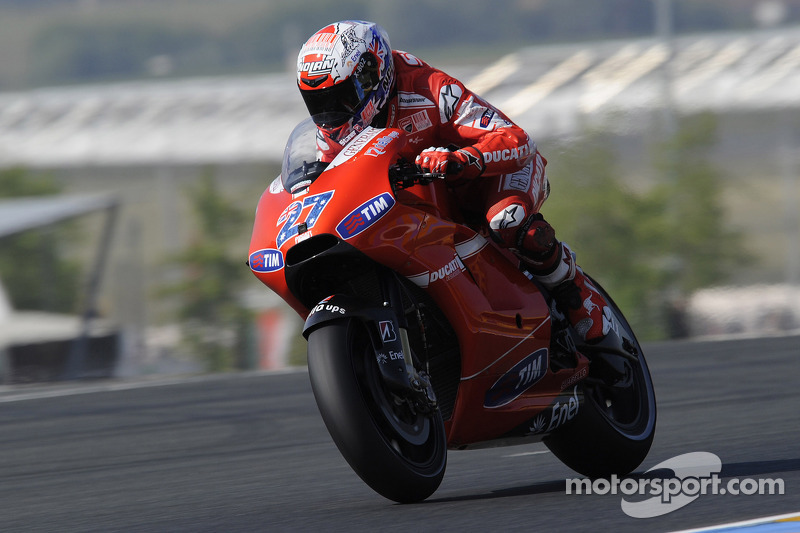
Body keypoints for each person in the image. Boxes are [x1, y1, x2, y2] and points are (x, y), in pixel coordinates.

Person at [296, 20, 609, 342]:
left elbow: (516, 139)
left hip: (493, 176)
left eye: (341, 97)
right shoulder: (331, 133)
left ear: (371, 73)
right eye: (319, 102)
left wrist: (463, 159)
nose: (330, 113)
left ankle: (578, 297)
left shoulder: (431, 88)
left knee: (507, 220)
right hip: (426, 199)